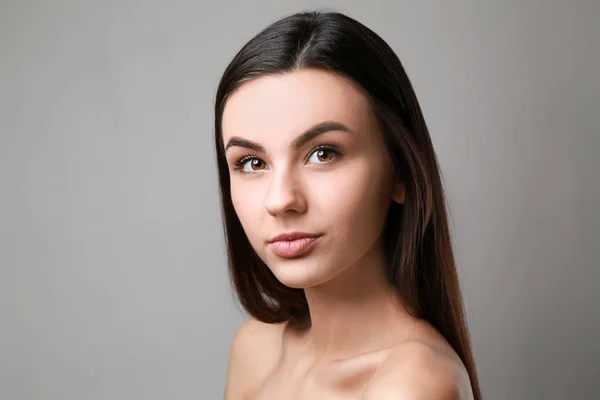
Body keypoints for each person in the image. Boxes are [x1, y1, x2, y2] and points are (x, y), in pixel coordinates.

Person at [215, 10, 481, 400]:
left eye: (323, 154)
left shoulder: (412, 385)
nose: (281, 200)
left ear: (401, 173)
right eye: (252, 163)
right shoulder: (255, 346)